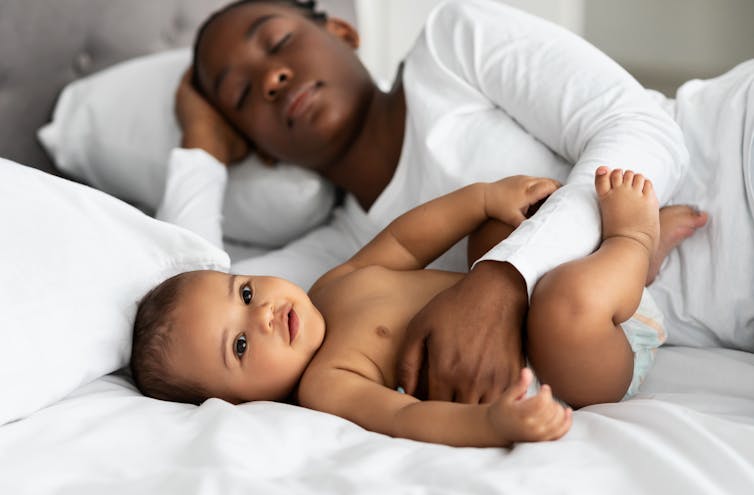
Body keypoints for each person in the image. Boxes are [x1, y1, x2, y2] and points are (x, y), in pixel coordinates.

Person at [164, 0, 750, 407]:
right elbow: (186, 299)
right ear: (260, 150)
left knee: (494, 232)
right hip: (715, 314)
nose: (272, 77)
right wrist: (201, 148)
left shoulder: (450, 46)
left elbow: (644, 129)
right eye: (242, 95)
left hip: (732, 151)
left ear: (342, 33)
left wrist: (501, 279)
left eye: (278, 41)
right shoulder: (334, 270)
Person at [132, 167, 678, 447]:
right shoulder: (327, 383)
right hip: (578, 364)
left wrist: (481, 198)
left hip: (522, 301)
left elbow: (403, 244)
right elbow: (408, 417)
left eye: (246, 292)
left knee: (495, 234)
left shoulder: (330, 287)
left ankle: (625, 276)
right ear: (240, 402)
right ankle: (634, 241)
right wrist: (492, 423)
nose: (263, 314)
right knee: (564, 306)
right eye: (242, 345)